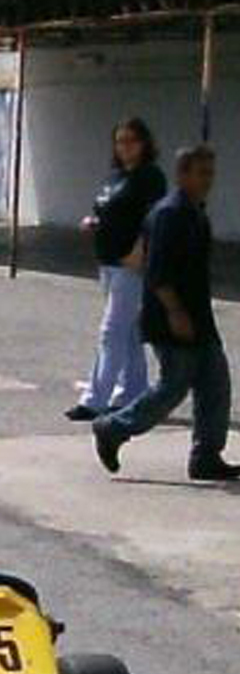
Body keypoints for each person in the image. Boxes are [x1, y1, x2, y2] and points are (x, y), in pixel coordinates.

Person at [93, 144, 239, 481]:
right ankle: (112, 428)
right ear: (183, 174)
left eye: (211, 174)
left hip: (198, 315)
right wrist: (175, 312)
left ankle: (206, 456)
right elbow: (157, 272)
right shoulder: (169, 214)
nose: (208, 181)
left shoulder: (195, 212)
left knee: (215, 383)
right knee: (172, 387)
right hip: (170, 317)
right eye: (202, 173)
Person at [67, 118, 165, 422]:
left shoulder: (150, 177)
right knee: (129, 331)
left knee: (111, 331)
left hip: (130, 265)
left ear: (144, 143)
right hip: (108, 262)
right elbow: (104, 209)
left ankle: (94, 399)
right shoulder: (115, 177)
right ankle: (132, 391)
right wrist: (93, 222)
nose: (125, 148)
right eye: (120, 141)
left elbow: (155, 218)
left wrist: (140, 250)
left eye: (131, 141)